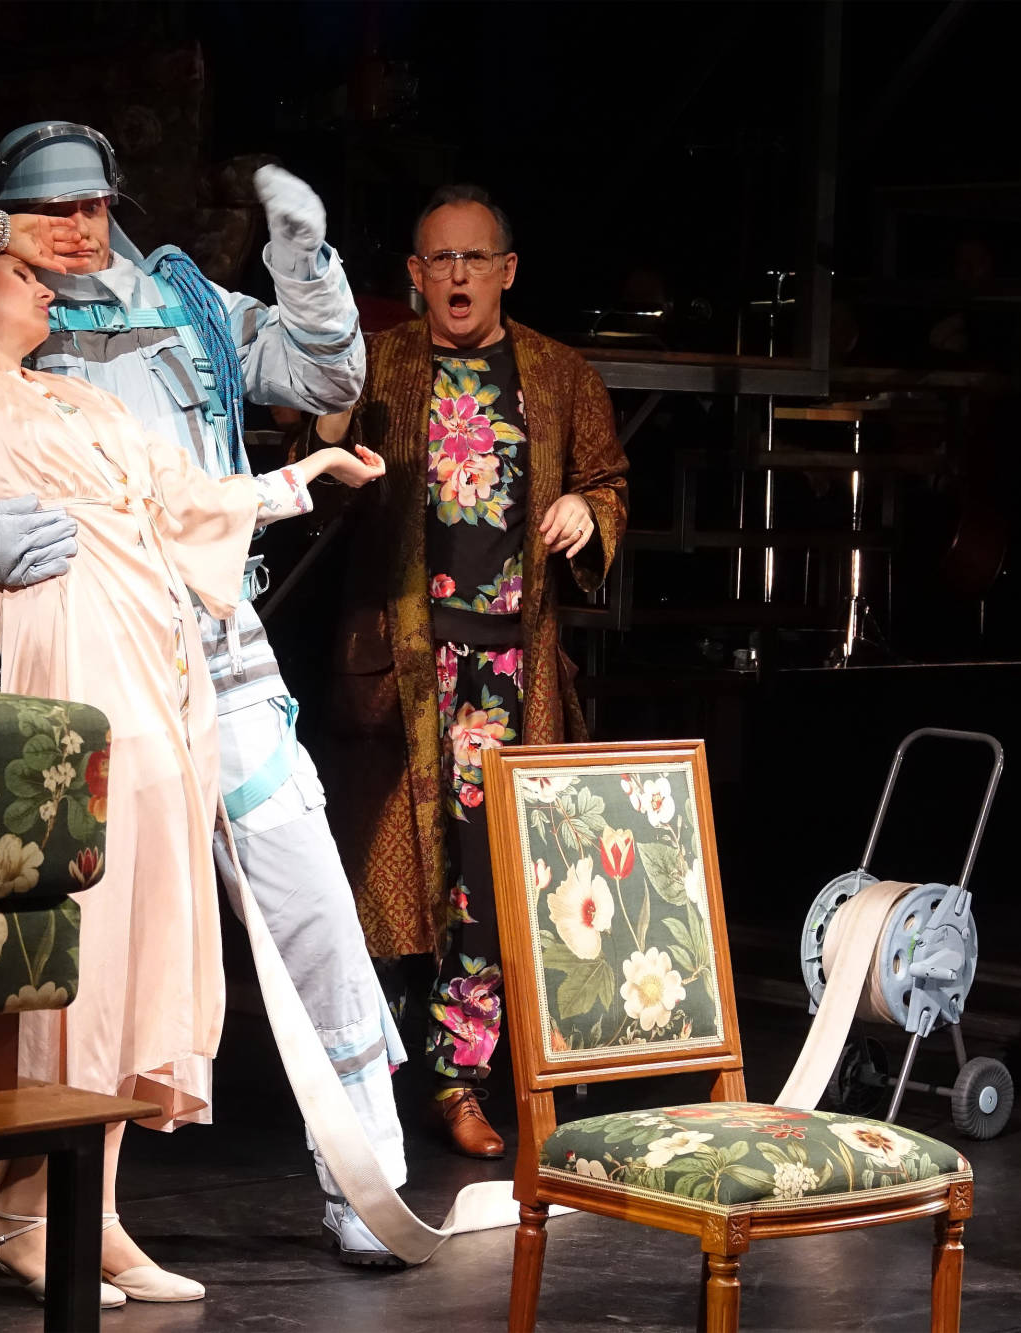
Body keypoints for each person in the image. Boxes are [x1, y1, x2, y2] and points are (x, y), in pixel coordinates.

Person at [0, 121, 415, 1268]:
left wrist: (303, 262)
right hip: (71, 655)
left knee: (304, 898)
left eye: (91, 204)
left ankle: (363, 1176)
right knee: (21, 915)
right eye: (50, 209)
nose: (77, 227)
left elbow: (323, 376)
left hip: (212, 647)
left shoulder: (182, 302)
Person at [321, 184, 628, 1159]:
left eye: (474, 259)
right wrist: (324, 436)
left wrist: (587, 512)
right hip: (402, 668)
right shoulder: (379, 364)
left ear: (507, 270)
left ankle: (461, 1080)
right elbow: (309, 470)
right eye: (439, 261)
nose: (457, 276)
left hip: (509, 670)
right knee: (381, 884)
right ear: (415, 276)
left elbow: (607, 481)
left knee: (489, 885)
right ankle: (364, 1090)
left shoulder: (560, 373)